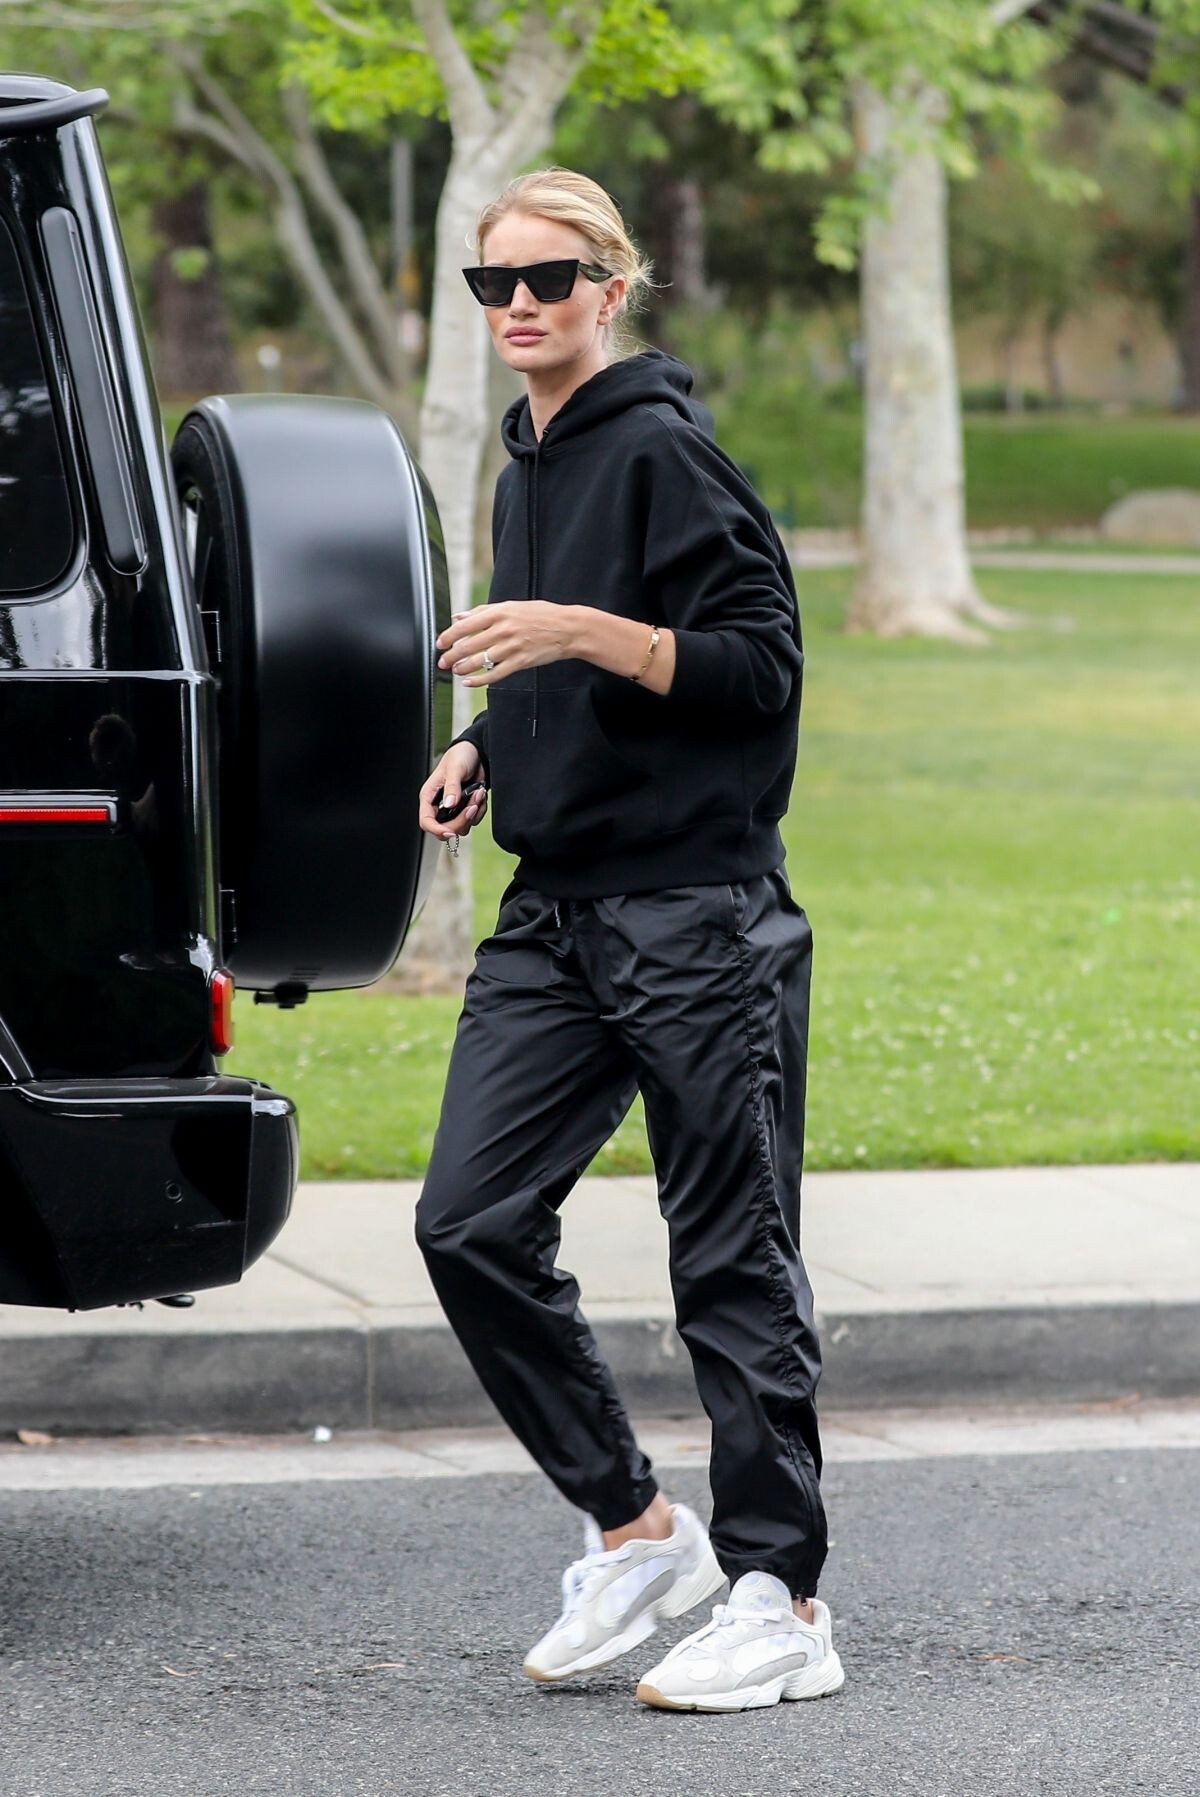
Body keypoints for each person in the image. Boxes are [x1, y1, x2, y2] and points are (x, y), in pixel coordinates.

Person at [414, 167, 843, 1715]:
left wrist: (579, 633)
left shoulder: (665, 448)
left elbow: (760, 666)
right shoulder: (528, 462)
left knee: (730, 1250)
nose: (520, 305)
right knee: (467, 1221)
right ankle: (637, 1527)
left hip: (694, 911)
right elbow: (554, 668)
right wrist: (488, 740)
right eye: (495, 283)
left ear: (612, 284)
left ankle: (783, 1598)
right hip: (558, 909)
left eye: (550, 278)